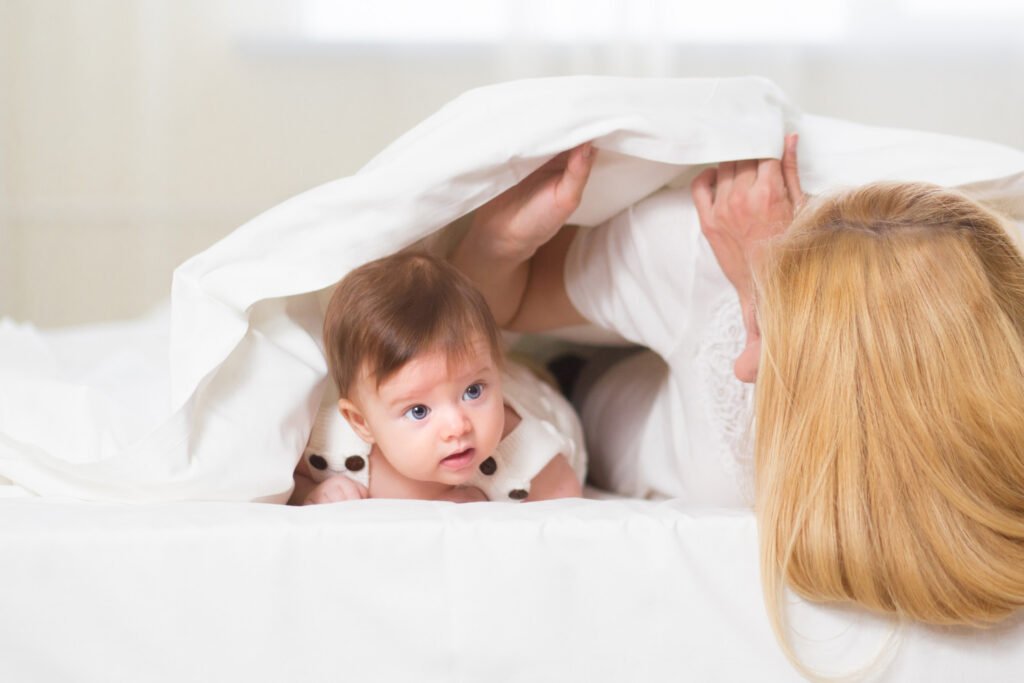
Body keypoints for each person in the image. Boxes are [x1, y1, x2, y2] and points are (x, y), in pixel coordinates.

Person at [451, 138, 1024, 652]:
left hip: (598, 417)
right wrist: (497, 240)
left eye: (767, 341)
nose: (745, 367)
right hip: (589, 367)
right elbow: (489, 312)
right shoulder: (705, 254)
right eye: (757, 318)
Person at [292, 251, 585, 505]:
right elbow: (291, 479)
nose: (457, 427)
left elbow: (567, 501)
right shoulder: (335, 445)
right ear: (361, 422)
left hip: (545, 403)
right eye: (418, 411)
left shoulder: (523, 453)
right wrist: (316, 493)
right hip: (503, 376)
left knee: (571, 386)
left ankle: (561, 372)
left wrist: (497, 511)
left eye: (473, 392)